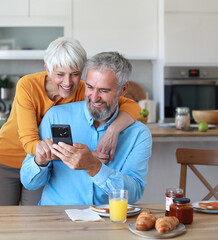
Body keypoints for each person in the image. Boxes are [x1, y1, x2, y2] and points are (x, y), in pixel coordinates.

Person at [0, 38, 141, 210]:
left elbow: (132, 105)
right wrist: (85, 156)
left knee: (31, 221)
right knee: (5, 224)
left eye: (75, 74)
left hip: (43, 167)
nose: (68, 83)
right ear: (47, 69)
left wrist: (112, 130)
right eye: (60, 74)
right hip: (7, 160)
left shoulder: (86, 89)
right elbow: (30, 141)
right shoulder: (28, 85)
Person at [20, 51, 152, 205]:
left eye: (104, 90)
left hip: (106, 221)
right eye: (89, 87)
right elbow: (29, 183)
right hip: (56, 218)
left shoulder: (138, 135)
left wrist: (94, 167)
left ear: (123, 90)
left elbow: (134, 193)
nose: (94, 97)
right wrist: (39, 162)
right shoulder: (56, 117)